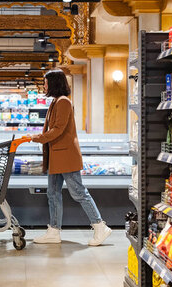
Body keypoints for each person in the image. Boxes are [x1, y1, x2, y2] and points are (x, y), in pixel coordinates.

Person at [30, 69, 112, 246]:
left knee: (79, 193)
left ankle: (100, 226)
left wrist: (36, 137)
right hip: (56, 157)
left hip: (66, 156)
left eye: (46, 82)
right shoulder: (56, 102)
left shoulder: (64, 102)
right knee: (52, 193)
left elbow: (58, 130)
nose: (44, 85)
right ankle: (54, 230)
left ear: (54, 83)